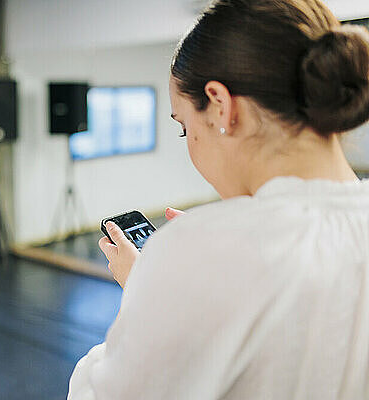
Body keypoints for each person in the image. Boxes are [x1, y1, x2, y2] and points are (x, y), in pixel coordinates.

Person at [68, 0, 369, 398]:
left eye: (184, 127)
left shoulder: (194, 251)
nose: (190, 145)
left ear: (221, 106)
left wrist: (149, 288)